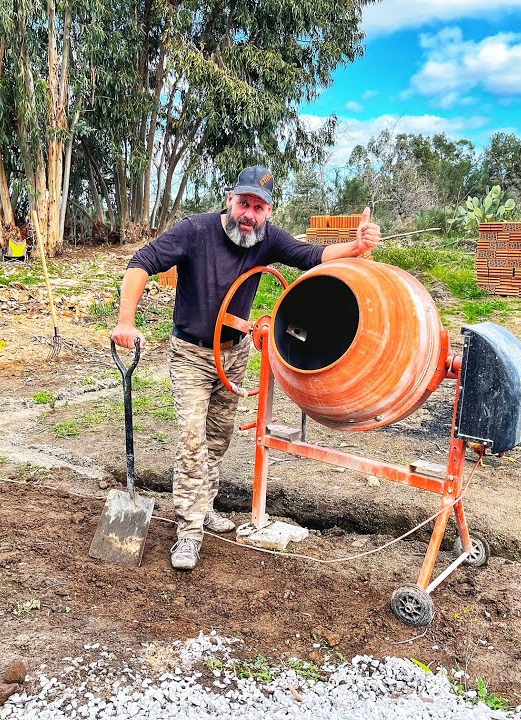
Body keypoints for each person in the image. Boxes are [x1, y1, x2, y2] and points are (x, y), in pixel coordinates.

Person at [110, 165, 381, 570]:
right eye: (244, 203)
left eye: (259, 207)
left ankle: (206, 505)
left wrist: (355, 247)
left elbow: (312, 257)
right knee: (191, 439)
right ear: (230, 199)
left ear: (268, 211)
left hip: (234, 354)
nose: (249, 214)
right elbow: (140, 262)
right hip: (191, 353)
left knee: (218, 439)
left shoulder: (266, 239)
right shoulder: (195, 231)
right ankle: (188, 531)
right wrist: (126, 322)